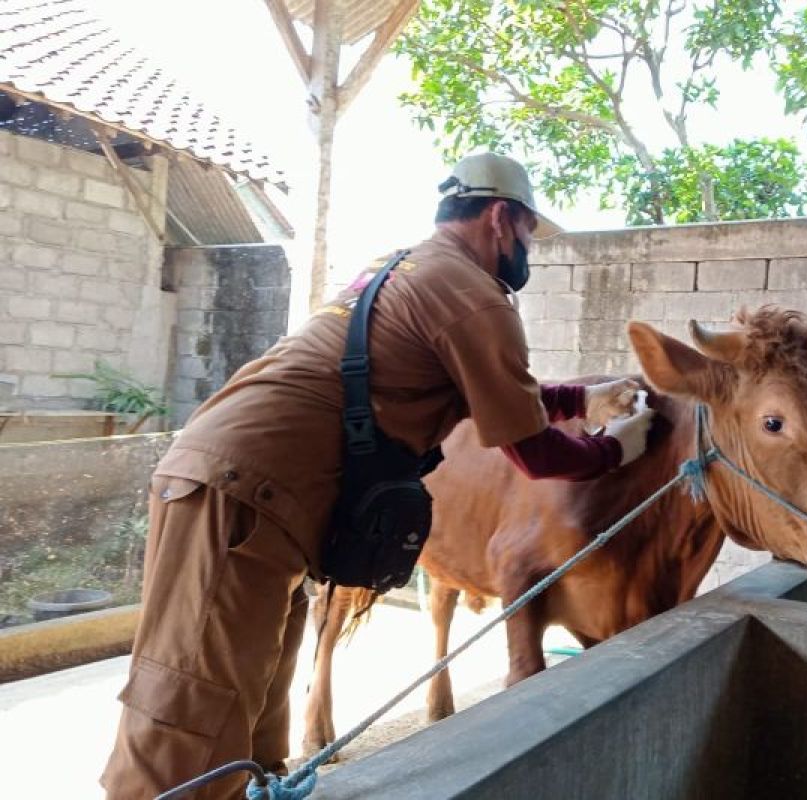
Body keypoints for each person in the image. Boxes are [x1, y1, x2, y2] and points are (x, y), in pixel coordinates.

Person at [101, 153, 656, 799]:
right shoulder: (475, 296)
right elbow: (534, 453)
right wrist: (617, 450)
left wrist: (583, 402)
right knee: (191, 710)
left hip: (244, 490)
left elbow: (482, 392)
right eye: (531, 231)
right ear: (502, 217)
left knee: (250, 709)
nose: (529, 248)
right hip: (241, 491)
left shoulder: (407, 265)